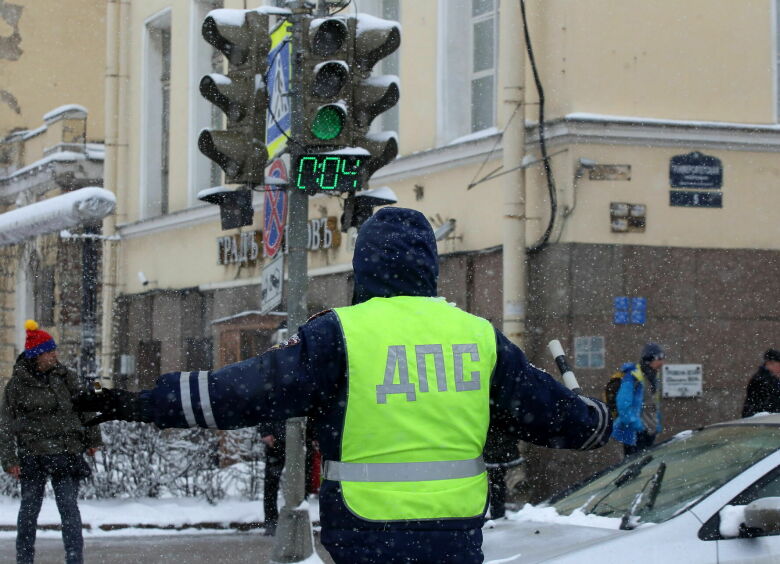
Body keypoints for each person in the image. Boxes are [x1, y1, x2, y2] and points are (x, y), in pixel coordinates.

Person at [74, 207, 612, 564]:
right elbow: (559, 417)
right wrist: (599, 422)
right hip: (455, 535)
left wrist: (137, 402)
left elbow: (239, 392)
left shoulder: (341, 335)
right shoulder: (478, 337)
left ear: (363, 266)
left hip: (365, 530)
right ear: (430, 265)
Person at [0, 320, 101, 564]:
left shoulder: (66, 377)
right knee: (28, 512)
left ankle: (74, 559)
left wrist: (92, 438)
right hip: (32, 455)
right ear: (36, 355)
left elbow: (86, 405)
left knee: (69, 511)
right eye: (50, 351)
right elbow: (5, 424)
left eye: (54, 350)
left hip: (66, 453)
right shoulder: (17, 386)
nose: (55, 355)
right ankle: (24, 560)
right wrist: (9, 459)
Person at [259, 419, 319, 536]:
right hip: (278, 440)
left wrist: (314, 435)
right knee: (271, 483)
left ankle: (300, 520)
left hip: (302, 439)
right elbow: (264, 407)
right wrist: (265, 432)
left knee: (302, 484)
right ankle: (272, 522)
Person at [611, 343, 665, 458]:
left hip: (649, 430)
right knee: (633, 465)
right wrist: (636, 424)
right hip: (636, 432)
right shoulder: (633, 376)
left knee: (645, 464)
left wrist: (656, 424)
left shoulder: (654, 377)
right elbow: (623, 403)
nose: (662, 363)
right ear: (650, 359)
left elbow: (653, 404)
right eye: (659, 358)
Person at [483, 426, 524, 520]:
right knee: (499, 481)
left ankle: (497, 512)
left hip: (494, 449)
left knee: (496, 482)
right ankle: (498, 512)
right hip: (503, 449)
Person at [742, 349, 780, 417]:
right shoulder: (761, 380)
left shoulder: (770, 379)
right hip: (762, 420)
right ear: (769, 364)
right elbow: (770, 403)